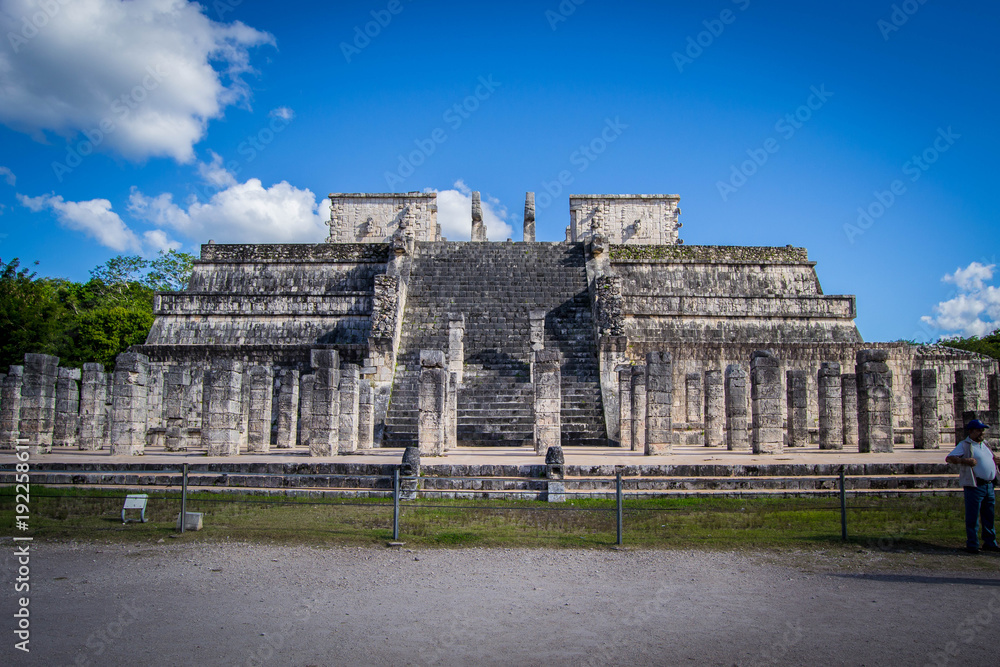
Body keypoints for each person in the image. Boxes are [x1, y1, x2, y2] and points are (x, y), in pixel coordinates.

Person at [946, 419, 1000, 554]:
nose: (982, 432)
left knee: (989, 516)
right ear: (971, 431)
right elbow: (949, 458)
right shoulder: (964, 445)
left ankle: (990, 542)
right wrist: (964, 460)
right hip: (975, 485)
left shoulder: (985, 444)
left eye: (982, 430)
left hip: (989, 485)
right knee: (973, 516)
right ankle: (972, 544)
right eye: (978, 430)